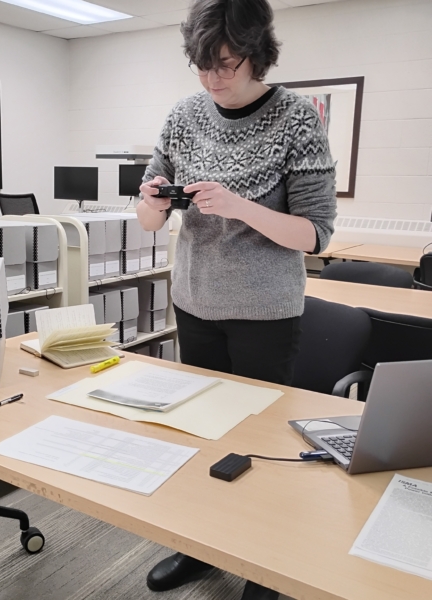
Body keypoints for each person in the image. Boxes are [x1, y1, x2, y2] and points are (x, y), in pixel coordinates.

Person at [136, 0, 337, 598]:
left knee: (261, 444)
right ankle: (200, 547)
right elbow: (148, 220)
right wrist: (152, 200)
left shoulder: (297, 119)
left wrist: (239, 206)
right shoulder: (184, 115)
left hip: (264, 312)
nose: (213, 78)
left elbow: (316, 234)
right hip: (195, 301)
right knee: (202, 434)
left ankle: (262, 568)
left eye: (225, 64)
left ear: (257, 53)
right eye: (202, 65)